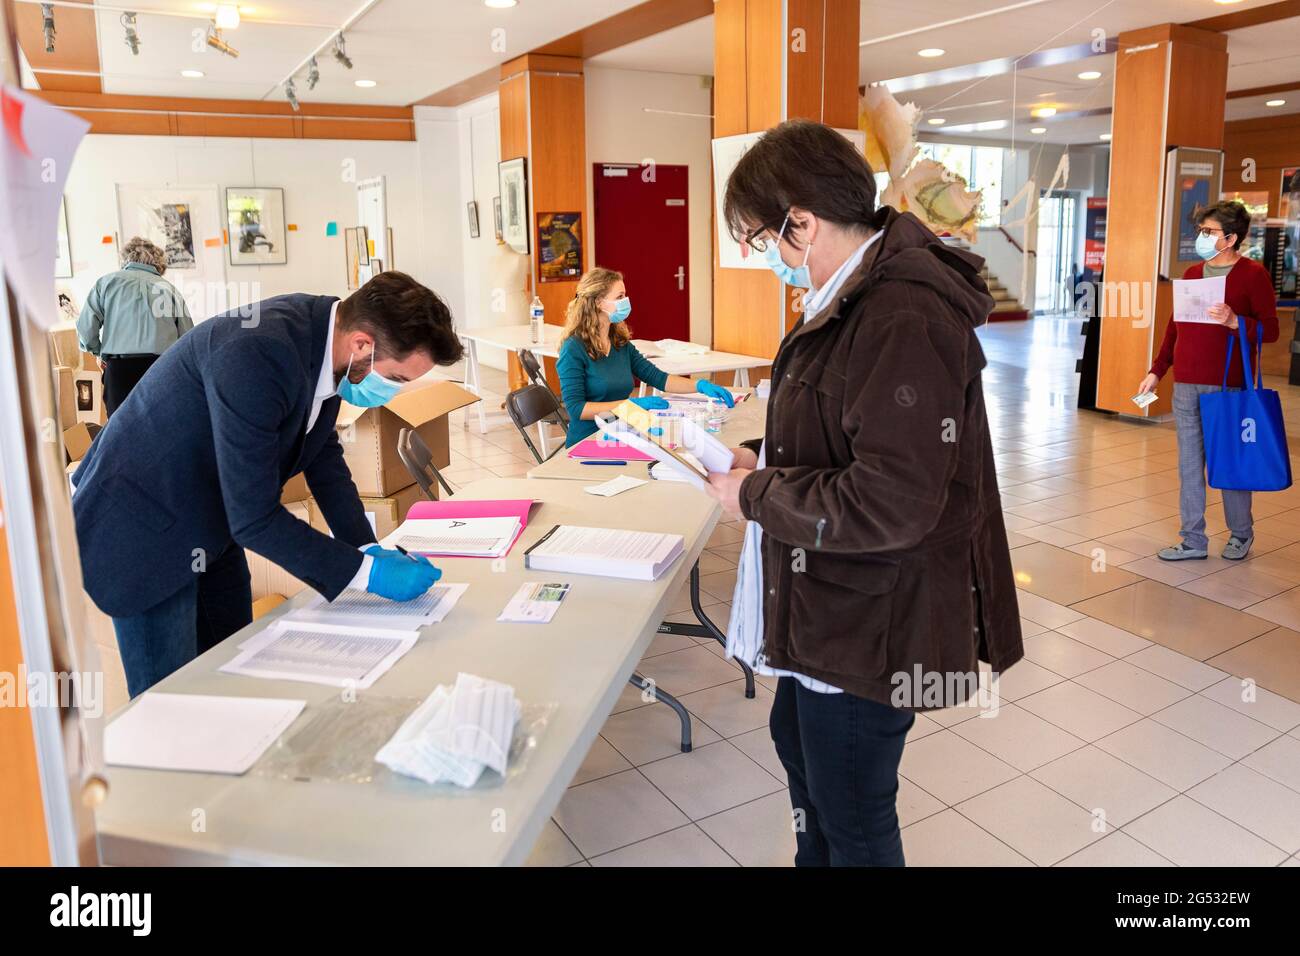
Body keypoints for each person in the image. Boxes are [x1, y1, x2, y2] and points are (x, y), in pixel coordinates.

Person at [706, 119, 1023, 866]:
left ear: (803, 221)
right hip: (831, 611)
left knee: (851, 815)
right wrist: (765, 454)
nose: (767, 260)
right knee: (802, 759)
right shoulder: (852, 295)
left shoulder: (899, 313)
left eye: (762, 241)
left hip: (869, 623)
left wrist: (757, 496)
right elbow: (847, 431)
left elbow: (890, 500)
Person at [72, 271, 463, 697]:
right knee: (166, 701)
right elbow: (255, 517)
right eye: (398, 379)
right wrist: (366, 574)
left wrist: (364, 545)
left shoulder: (326, 339)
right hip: (141, 530)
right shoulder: (259, 352)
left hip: (208, 519)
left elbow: (323, 454)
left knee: (230, 668)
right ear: (362, 344)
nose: (393, 391)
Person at [1138, 200, 1279, 562]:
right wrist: (1157, 370)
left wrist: (1237, 322)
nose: (1201, 237)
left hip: (1228, 386)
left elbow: (1272, 330)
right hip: (1187, 382)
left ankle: (1241, 533)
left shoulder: (1253, 275)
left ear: (1231, 238)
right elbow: (1174, 328)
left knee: (1228, 463)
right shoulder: (1192, 274)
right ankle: (1192, 539)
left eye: (1208, 231)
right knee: (1189, 466)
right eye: (1201, 230)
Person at [555, 267, 734, 447]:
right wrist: (630, 406)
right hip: (589, 440)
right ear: (599, 303)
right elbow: (577, 409)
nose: (626, 302)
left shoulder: (618, 342)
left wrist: (700, 385)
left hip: (623, 431)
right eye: (619, 297)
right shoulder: (573, 348)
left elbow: (658, 378)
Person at [76, 237, 194, 418]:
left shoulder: (106, 283)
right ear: (158, 263)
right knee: (158, 431)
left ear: (126, 258)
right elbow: (187, 340)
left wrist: (100, 353)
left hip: (119, 371)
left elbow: (85, 331)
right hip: (160, 371)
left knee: (120, 435)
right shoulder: (169, 290)